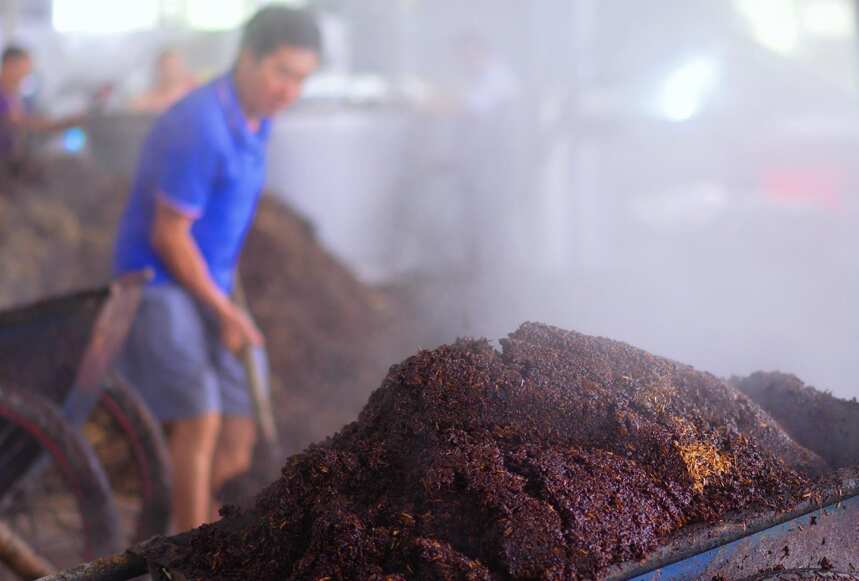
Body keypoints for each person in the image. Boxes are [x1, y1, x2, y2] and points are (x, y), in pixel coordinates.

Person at [113, 6, 322, 532]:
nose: (289, 90)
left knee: (238, 434)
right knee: (200, 420)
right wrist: (223, 310)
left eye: (302, 79)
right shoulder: (199, 124)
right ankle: (186, 551)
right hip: (155, 282)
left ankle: (183, 519)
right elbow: (168, 235)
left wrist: (228, 301)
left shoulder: (259, 119)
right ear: (246, 58)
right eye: (282, 72)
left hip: (212, 281)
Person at [0, 45, 103, 174]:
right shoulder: (2, 95)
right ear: (10, 65)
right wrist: (61, 124)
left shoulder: (13, 95)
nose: (26, 73)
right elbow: (20, 123)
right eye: (23, 68)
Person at [131, 48, 198, 114]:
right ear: (159, 70)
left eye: (174, 66)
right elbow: (137, 105)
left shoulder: (193, 89)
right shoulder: (152, 95)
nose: (171, 71)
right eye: (167, 66)